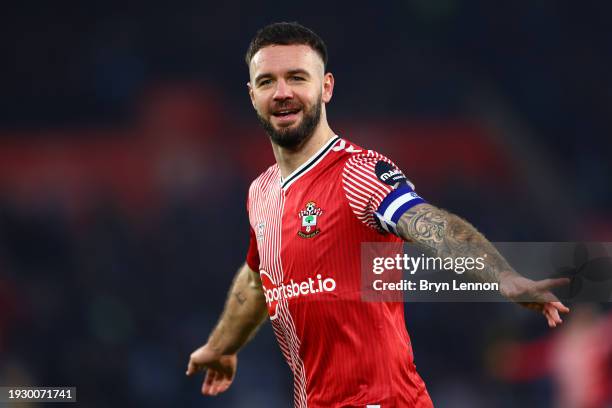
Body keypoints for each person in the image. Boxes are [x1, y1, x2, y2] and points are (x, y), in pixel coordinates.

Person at [186, 22, 570, 407]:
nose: (282, 93)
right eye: (267, 81)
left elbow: (429, 223)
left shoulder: (359, 172)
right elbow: (257, 280)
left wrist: (503, 276)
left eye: (297, 78)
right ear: (253, 96)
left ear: (326, 87)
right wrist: (221, 346)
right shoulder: (261, 191)